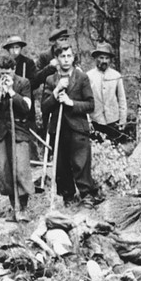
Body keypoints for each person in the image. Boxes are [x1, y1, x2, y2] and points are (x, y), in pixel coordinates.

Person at [39, 44, 98, 204]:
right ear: (57, 59)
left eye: (69, 56)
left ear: (73, 58)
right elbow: (44, 107)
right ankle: (68, 197)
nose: (66, 60)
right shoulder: (51, 80)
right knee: (61, 166)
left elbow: (90, 105)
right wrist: (56, 91)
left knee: (81, 163)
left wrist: (70, 102)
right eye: (62, 56)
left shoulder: (81, 77)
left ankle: (87, 196)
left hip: (78, 128)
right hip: (58, 129)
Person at [0, 52, 34, 214]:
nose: (5, 76)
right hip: (0, 133)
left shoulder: (24, 83)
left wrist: (12, 92)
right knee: (4, 171)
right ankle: (14, 207)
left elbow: (27, 108)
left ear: (14, 69)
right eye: (2, 72)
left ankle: (24, 207)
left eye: (8, 72)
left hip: (19, 132)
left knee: (20, 169)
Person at [86, 41, 128, 142]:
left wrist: (123, 119)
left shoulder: (116, 76)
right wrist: (88, 120)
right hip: (96, 120)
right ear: (96, 58)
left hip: (113, 120)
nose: (104, 61)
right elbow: (85, 100)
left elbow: (121, 99)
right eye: (101, 58)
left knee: (114, 148)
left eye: (107, 58)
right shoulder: (88, 76)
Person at [30, 27, 70, 91]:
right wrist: (50, 67)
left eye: (66, 39)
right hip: (50, 91)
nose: (65, 42)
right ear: (53, 42)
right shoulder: (45, 56)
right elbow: (36, 79)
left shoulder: (72, 55)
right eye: (61, 40)